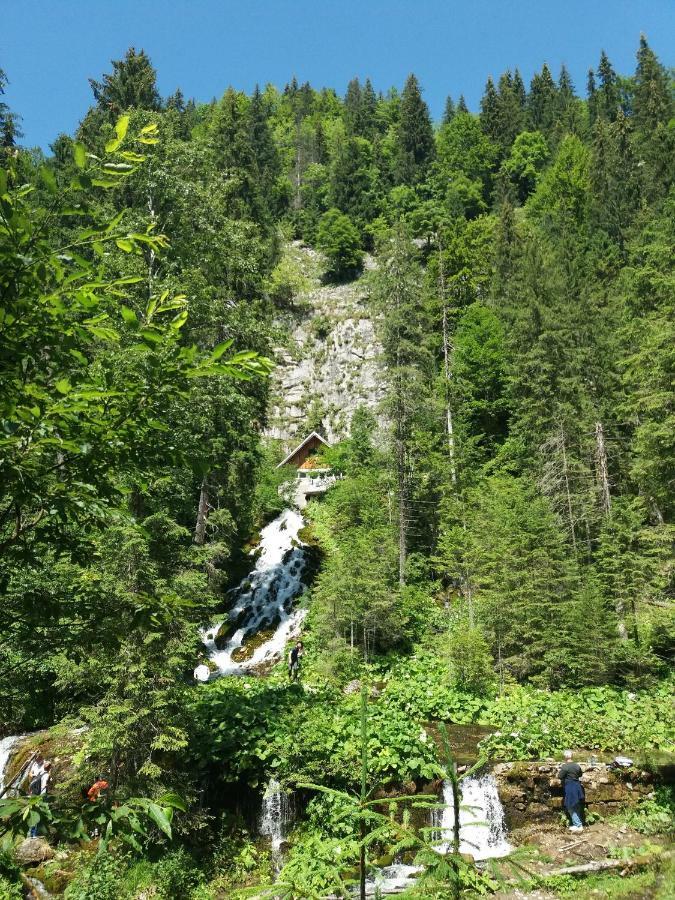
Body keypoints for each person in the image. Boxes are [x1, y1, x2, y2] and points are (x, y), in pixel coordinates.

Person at [559, 750, 585, 831]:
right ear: (572, 756)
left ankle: (578, 825)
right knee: (576, 806)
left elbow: (560, 776)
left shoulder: (565, 766)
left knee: (570, 806)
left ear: (565, 757)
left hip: (570, 788)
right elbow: (580, 774)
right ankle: (578, 823)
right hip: (577, 787)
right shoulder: (577, 765)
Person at [28, 761, 51, 838]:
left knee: (33, 814)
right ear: (49, 768)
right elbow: (44, 787)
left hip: (33, 795)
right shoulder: (46, 775)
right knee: (38, 815)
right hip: (39, 797)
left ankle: (30, 833)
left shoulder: (40, 772)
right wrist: (42, 798)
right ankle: (34, 834)